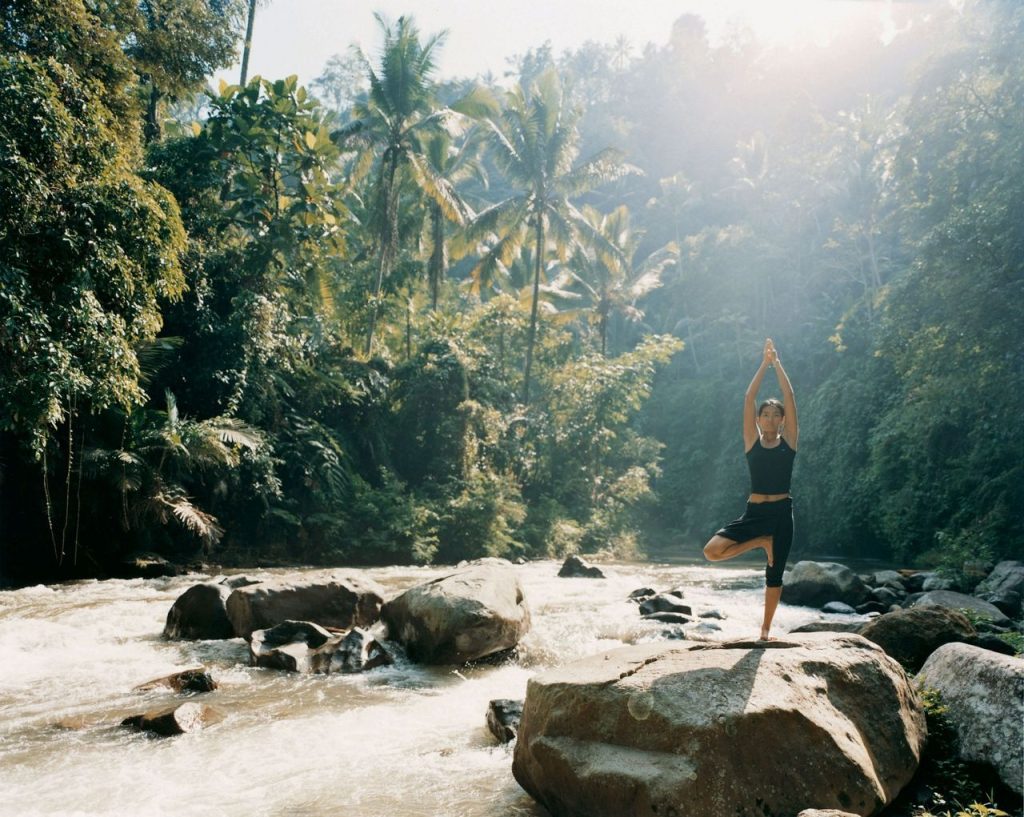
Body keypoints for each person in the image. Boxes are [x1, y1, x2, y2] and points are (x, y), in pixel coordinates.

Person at [703, 338, 798, 640]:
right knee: (712, 551)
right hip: (754, 513)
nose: (770, 418)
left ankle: (766, 630)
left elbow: (790, 395)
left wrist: (778, 363)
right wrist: (763, 363)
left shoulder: (790, 443)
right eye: (765, 414)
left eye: (775, 414)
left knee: (774, 575)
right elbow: (748, 397)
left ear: (782, 420)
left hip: (782, 513)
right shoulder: (751, 443)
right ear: (758, 419)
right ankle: (760, 541)